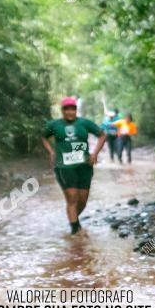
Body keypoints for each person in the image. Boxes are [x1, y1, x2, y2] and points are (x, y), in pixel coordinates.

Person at [41, 96, 106, 234]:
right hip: (64, 167)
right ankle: (75, 230)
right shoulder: (54, 125)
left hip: (84, 166)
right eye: (67, 109)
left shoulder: (85, 123)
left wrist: (95, 153)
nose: (70, 112)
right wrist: (51, 152)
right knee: (72, 197)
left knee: (82, 200)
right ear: (62, 111)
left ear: (76, 110)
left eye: (72, 109)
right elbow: (43, 137)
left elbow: (102, 135)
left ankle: (73, 218)